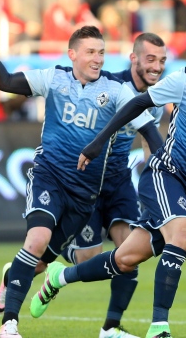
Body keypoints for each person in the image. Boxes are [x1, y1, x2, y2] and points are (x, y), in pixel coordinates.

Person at [28, 17, 186, 338]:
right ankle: (159, 327)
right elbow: (138, 103)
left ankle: (59, 278)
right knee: (183, 235)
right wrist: (98, 141)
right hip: (163, 174)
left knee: (125, 259)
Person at [0, 10, 164, 338]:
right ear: (72, 54)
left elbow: (151, 134)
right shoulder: (54, 78)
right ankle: (9, 325)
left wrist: (166, 171)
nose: (97, 58)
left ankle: (20, 278)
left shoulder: (117, 92)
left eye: (101, 52)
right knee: (37, 239)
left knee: (45, 261)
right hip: (50, 176)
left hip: (86, 194)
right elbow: (3, 81)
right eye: (90, 52)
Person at [60, 32, 167, 338]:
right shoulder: (108, 87)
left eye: (161, 61)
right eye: (150, 60)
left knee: (129, 251)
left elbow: (149, 144)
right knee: (89, 260)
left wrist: (155, 178)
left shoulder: (155, 99)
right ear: (133, 58)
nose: (157, 67)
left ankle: (111, 327)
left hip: (120, 182)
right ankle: (57, 266)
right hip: (87, 181)